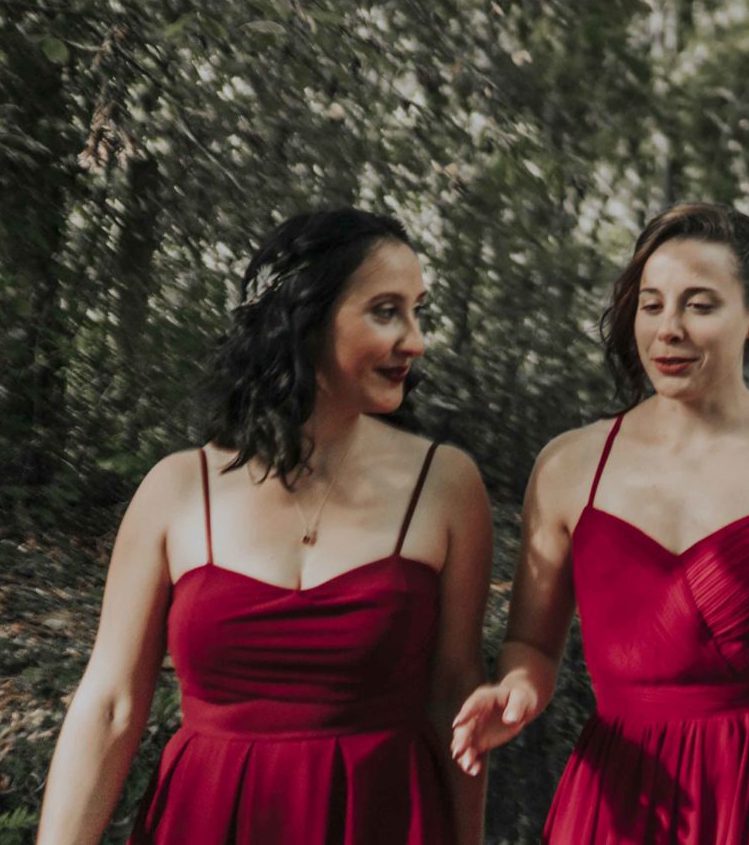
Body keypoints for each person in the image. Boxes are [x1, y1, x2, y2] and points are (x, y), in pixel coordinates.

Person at [36, 208, 493, 845]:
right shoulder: (176, 489)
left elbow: (454, 698)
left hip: (381, 818)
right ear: (303, 317)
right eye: (386, 311)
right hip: (209, 818)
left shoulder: (446, 485)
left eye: (418, 311)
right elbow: (111, 704)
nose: (414, 341)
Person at [450, 203, 749, 845]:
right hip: (615, 800)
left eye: (700, 305)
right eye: (651, 305)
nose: (667, 330)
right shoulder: (571, 465)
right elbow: (534, 648)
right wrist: (516, 689)